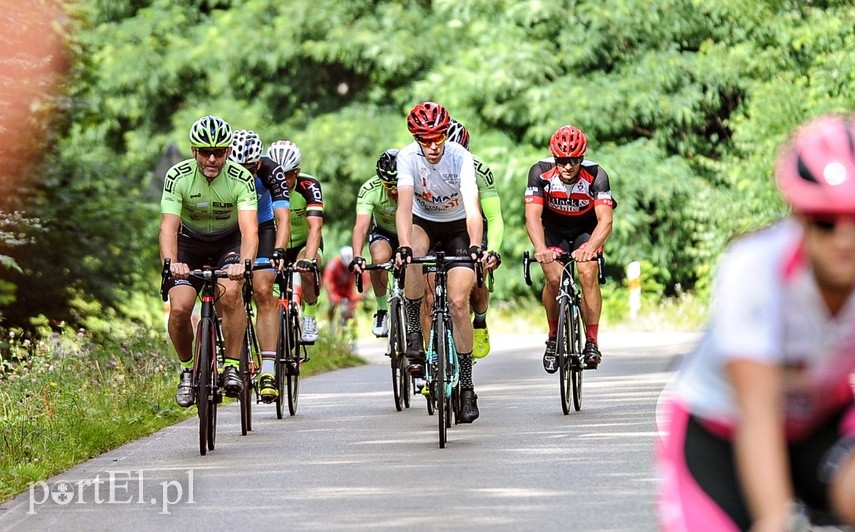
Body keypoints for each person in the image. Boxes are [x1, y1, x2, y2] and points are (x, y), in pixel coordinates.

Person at [656, 114, 855, 531]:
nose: (844, 239)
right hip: (721, 432)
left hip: (821, 422)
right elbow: (758, 415)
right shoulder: (755, 268)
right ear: (798, 217)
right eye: (825, 221)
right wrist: (774, 520)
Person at [394, 101, 491, 424]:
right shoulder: (407, 158)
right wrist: (404, 245)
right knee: (412, 257)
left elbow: (474, 209)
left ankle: (466, 386)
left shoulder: (461, 158)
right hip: (424, 222)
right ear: (416, 138)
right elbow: (404, 208)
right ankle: (413, 335)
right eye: (426, 140)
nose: (433, 146)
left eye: (438, 137)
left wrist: (476, 246)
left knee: (458, 300)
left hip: (458, 226)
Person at [160, 115, 258, 407]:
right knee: (178, 309)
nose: (212, 159)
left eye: (219, 152)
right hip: (189, 244)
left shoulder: (241, 178)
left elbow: (250, 230)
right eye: (205, 152)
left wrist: (245, 262)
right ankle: (187, 369)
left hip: (228, 243)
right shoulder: (177, 176)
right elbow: (167, 227)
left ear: (229, 151)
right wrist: (171, 261)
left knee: (230, 294)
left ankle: (230, 364)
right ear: (194, 151)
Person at [524, 125, 615, 373]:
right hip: (554, 229)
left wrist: (592, 248)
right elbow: (532, 217)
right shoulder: (539, 172)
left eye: (573, 161)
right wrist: (541, 248)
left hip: (587, 229)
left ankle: (592, 342)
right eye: (561, 161)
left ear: (582, 158)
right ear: (554, 159)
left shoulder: (597, 175)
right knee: (553, 278)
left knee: (587, 273)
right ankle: (553, 337)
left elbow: (606, 221)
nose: (567, 167)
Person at [228, 130, 290, 401]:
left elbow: (283, 218)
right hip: (231, 229)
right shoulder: (220, 170)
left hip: (263, 226)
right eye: (241, 168)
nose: (248, 173)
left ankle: (267, 369)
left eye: (252, 167)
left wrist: (279, 251)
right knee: (226, 290)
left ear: (259, 162)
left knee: (264, 289)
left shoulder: (271, 171)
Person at [266, 140, 324, 343]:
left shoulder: (309, 186)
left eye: (288, 175)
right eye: (278, 175)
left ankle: (309, 316)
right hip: (274, 245)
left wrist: (308, 259)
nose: (282, 180)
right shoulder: (263, 186)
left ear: (297, 172)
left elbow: (315, 226)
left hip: (303, 244)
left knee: (307, 269)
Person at [349, 149, 401, 337]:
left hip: (412, 232)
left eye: (398, 184)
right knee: (379, 259)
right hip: (384, 233)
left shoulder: (416, 185)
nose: (394, 190)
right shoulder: (369, 189)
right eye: (388, 185)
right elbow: (361, 226)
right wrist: (357, 257)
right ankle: (381, 311)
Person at [323, 245, 365, 337]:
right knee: (332, 306)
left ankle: (353, 334)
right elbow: (326, 281)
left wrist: (362, 295)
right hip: (336, 291)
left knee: (351, 311)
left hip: (348, 292)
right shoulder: (333, 264)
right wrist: (331, 295)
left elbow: (367, 280)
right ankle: (331, 325)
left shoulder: (356, 265)